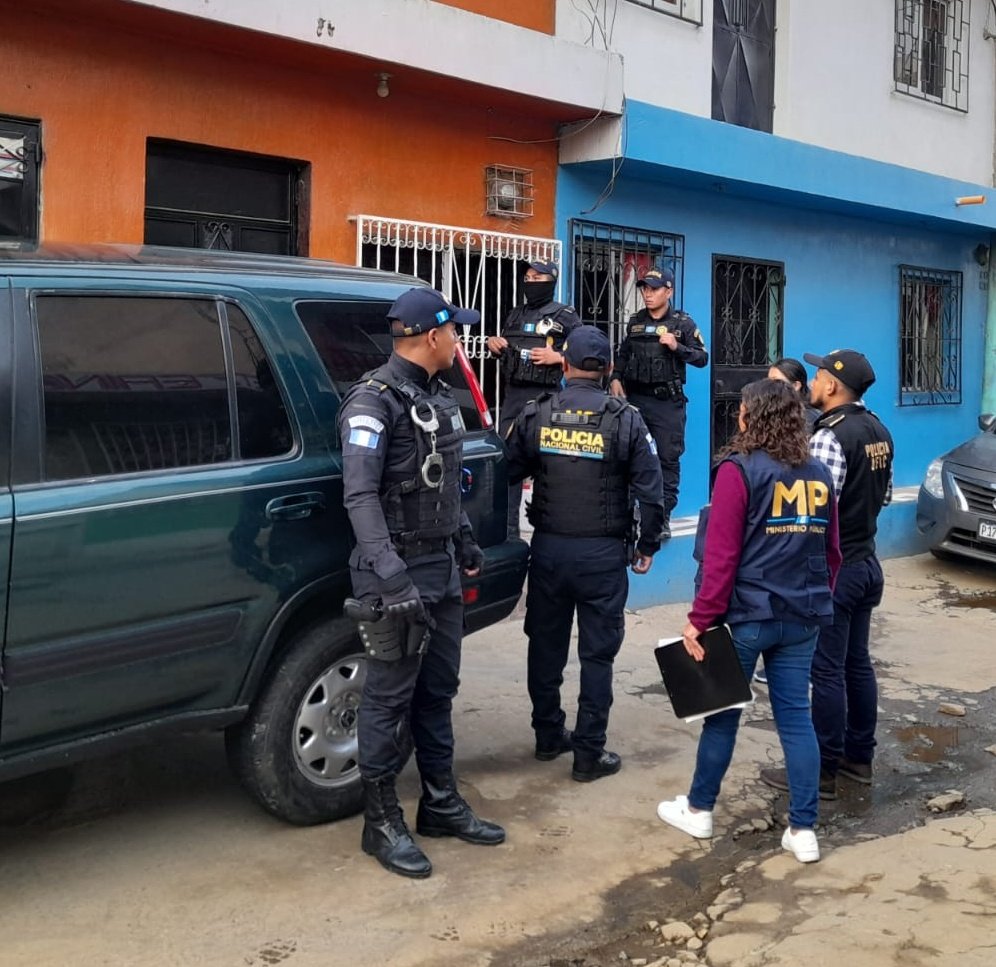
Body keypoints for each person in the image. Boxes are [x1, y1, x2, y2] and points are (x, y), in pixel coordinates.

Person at [338, 286, 505, 879]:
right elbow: (359, 496)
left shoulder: (435, 398)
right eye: (454, 332)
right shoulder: (372, 402)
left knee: (438, 689)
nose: (460, 341)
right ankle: (380, 824)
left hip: (440, 568)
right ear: (432, 338)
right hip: (395, 574)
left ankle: (440, 802)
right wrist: (389, 574)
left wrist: (463, 539)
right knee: (388, 699)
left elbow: (441, 484)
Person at [656, 379, 841, 864]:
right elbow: (832, 552)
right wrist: (818, 598)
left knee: (723, 717)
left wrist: (699, 620)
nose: (737, 416)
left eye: (741, 410)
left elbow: (721, 559)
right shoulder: (818, 473)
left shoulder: (738, 472)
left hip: (749, 617)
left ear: (750, 417)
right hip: (803, 616)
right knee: (796, 720)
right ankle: (803, 831)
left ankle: (699, 810)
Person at [504, 325, 664, 781]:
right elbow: (651, 493)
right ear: (608, 368)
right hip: (603, 556)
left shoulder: (538, 414)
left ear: (565, 364)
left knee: (546, 646)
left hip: (551, 551)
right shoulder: (626, 418)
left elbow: (507, 470)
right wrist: (647, 544)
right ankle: (588, 755)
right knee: (597, 656)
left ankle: (547, 735)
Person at [760, 349, 893, 803]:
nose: (812, 384)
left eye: (817, 376)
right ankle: (860, 758)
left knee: (827, 669)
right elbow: (886, 495)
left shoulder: (828, 438)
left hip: (837, 570)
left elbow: (818, 508)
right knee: (857, 662)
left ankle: (823, 771)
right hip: (869, 562)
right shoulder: (878, 430)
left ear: (833, 385)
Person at [609, 267, 708, 539]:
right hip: (636, 399)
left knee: (666, 459)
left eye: (654, 289)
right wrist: (616, 378)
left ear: (669, 291)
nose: (648, 294)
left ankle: (661, 517)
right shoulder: (635, 321)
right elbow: (624, 353)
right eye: (645, 288)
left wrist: (678, 347)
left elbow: (702, 358)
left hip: (667, 403)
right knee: (631, 456)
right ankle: (630, 514)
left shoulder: (682, 323)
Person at [487, 260, 581, 536]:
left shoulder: (565, 315)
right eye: (527, 276)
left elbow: (589, 353)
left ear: (551, 281)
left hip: (547, 398)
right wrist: (494, 344)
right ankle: (508, 532)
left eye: (537, 277)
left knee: (549, 465)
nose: (530, 281)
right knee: (508, 465)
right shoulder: (515, 314)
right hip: (514, 397)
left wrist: (560, 356)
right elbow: (508, 347)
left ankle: (551, 531)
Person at [769, 357, 821, 431]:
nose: (769, 386)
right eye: (768, 381)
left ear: (796, 385)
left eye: (777, 381)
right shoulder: (770, 412)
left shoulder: (811, 418)